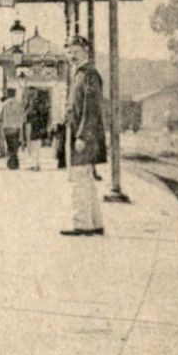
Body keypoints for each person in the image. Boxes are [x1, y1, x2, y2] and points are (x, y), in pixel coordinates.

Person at [62, 36, 106, 236]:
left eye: (76, 52)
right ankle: (95, 223)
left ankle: (81, 224)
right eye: (69, 52)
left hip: (83, 135)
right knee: (86, 179)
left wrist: (81, 136)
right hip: (79, 132)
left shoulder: (89, 74)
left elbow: (91, 109)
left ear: (86, 52)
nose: (72, 56)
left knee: (79, 179)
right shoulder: (79, 74)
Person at [1, 88, 26, 170]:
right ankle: (15, 163)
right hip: (17, 128)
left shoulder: (4, 104)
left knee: (9, 146)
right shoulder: (19, 103)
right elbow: (23, 115)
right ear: (15, 94)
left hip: (7, 128)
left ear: (8, 94)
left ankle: (11, 163)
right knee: (15, 146)